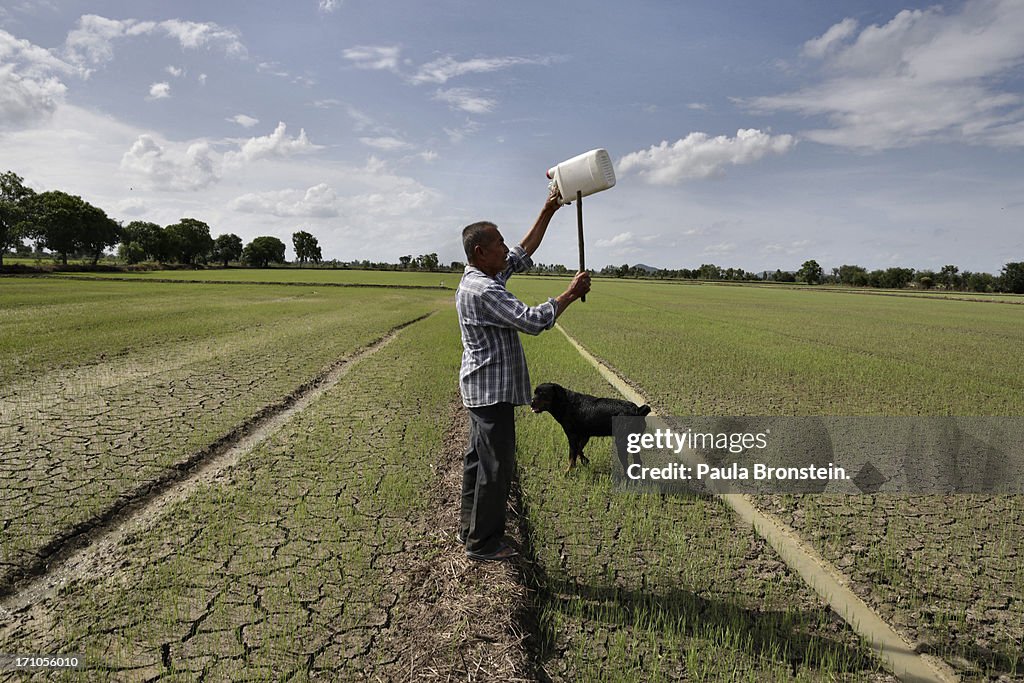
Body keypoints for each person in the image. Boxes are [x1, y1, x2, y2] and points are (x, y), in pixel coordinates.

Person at [456, 189, 591, 561]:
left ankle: (468, 529)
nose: (505, 247)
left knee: (477, 461)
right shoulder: (484, 289)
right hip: (490, 393)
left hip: (481, 388)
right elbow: (533, 321)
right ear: (481, 253)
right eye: (498, 242)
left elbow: (522, 251)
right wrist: (569, 292)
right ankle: (483, 544)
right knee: (496, 467)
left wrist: (549, 209)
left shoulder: (485, 276)